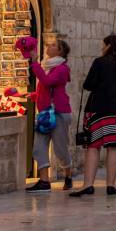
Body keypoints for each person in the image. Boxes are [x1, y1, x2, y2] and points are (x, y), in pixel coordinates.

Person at [70, 35, 116, 197]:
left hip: (101, 110)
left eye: (103, 45)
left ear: (108, 46)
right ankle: (111, 185)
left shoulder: (100, 63)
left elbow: (88, 85)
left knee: (93, 146)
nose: (102, 48)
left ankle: (88, 185)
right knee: (115, 146)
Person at [24, 38, 73, 192]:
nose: (48, 46)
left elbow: (47, 82)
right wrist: (33, 95)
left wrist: (34, 62)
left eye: (53, 45)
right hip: (46, 113)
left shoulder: (62, 69)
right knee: (39, 147)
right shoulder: (48, 66)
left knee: (60, 149)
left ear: (60, 51)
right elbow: (46, 89)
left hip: (59, 113)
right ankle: (44, 181)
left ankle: (68, 175)